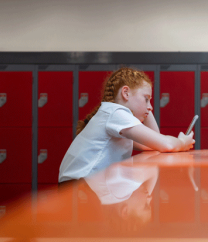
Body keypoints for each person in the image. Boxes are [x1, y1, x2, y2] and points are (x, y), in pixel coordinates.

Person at [58, 67, 195, 183]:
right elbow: (166, 144)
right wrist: (182, 141)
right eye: (146, 99)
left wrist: (145, 108)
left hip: (85, 185)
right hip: (78, 186)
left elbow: (152, 144)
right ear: (126, 93)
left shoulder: (115, 117)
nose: (150, 107)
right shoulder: (116, 113)